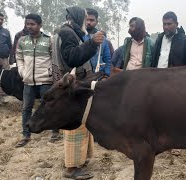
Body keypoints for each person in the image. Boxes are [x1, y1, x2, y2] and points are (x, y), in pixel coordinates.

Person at [53, 6, 104, 179]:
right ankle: (72, 169)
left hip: (70, 85)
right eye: (85, 18)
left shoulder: (67, 31)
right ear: (78, 18)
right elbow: (72, 58)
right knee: (75, 127)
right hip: (72, 88)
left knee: (81, 125)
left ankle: (80, 160)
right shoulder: (68, 33)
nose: (86, 22)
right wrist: (92, 43)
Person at [15, 14, 60, 147]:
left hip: (45, 80)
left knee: (48, 106)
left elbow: (54, 59)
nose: (29, 26)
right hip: (28, 81)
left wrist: (51, 74)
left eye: (32, 24)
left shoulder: (48, 40)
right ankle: (26, 135)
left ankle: (55, 132)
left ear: (40, 25)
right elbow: (19, 57)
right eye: (27, 23)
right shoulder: (22, 41)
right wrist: (22, 72)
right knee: (26, 109)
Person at [84, 8, 111, 77]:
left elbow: (107, 59)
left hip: (99, 76)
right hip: (83, 77)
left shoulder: (102, 38)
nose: (88, 22)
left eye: (92, 20)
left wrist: (106, 75)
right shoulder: (78, 36)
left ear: (97, 22)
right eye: (86, 19)